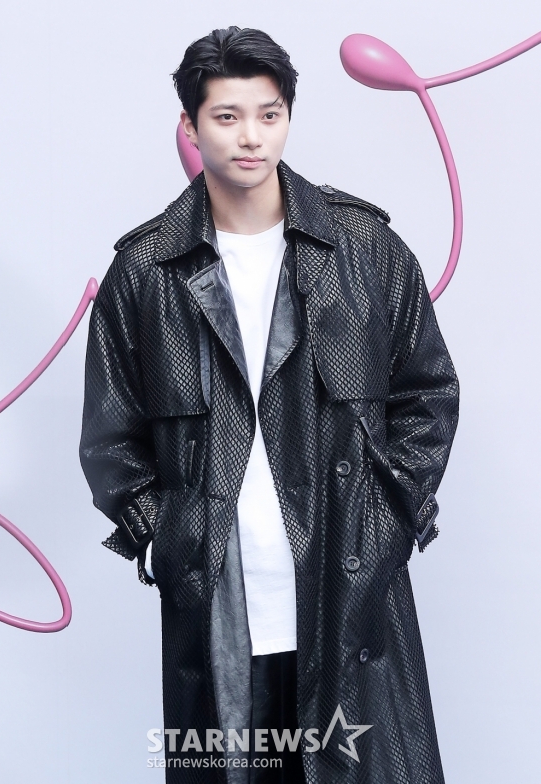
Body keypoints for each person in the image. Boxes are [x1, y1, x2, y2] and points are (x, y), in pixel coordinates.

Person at [79, 25, 459, 784]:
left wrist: (387, 522)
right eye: (227, 116)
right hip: (217, 595)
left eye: (269, 114)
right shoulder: (145, 271)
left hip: (347, 584)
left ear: (288, 117)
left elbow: (428, 392)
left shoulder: (365, 248)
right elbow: (111, 436)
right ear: (191, 126)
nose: (251, 137)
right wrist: (168, 537)